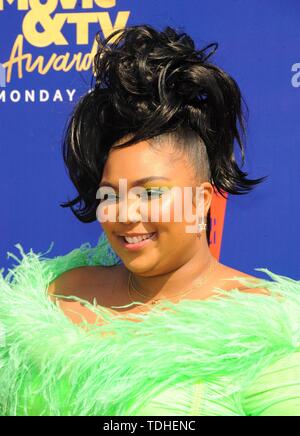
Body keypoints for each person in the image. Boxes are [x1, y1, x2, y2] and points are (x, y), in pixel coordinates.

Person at [1, 24, 300, 416]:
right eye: (111, 194)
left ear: (201, 201)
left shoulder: (272, 331)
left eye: (151, 193)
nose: (126, 214)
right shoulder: (51, 296)